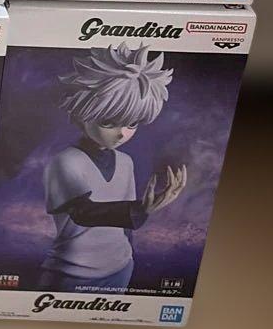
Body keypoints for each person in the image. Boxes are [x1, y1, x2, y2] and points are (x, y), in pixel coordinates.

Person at [41, 43, 186, 293]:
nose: (122, 133)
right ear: (81, 115)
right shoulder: (66, 161)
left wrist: (132, 245)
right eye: (109, 122)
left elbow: (125, 227)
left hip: (121, 267)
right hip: (71, 272)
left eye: (132, 123)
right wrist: (140, 209)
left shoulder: (126, 162)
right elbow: (83, 212)